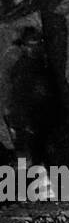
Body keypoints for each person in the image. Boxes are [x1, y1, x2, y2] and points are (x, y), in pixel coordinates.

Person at [2, 26, 56, 168]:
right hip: (23, 118)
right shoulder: (22, 67)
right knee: (29, 152)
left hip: (31, 118)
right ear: (24, 46)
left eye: (38, 44)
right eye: (31, 45)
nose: (35, 48)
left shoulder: (36, 64)